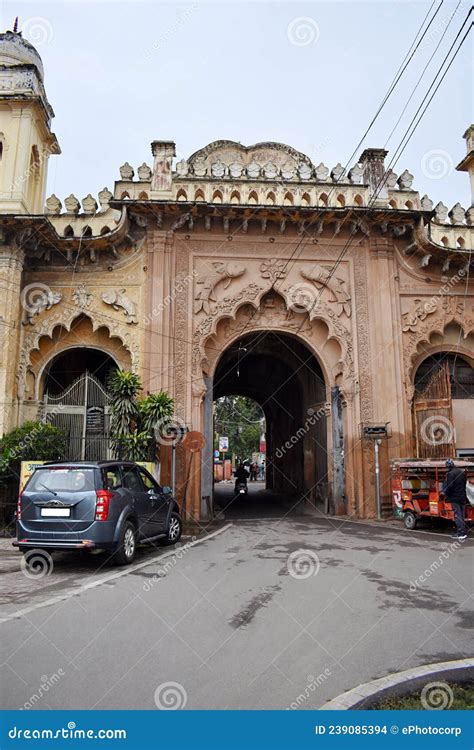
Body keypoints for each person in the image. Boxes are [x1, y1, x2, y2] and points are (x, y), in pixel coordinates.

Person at [444, 459, 468, 540]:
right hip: (463, 497)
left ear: (448, 466)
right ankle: (463, 532)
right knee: (462, 515)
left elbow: (450, 486)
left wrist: (446, 494)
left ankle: (461, 534)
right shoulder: (461, 472)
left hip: (455, 498)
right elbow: (465, 483)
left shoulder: (450, 474)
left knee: (457, 516)